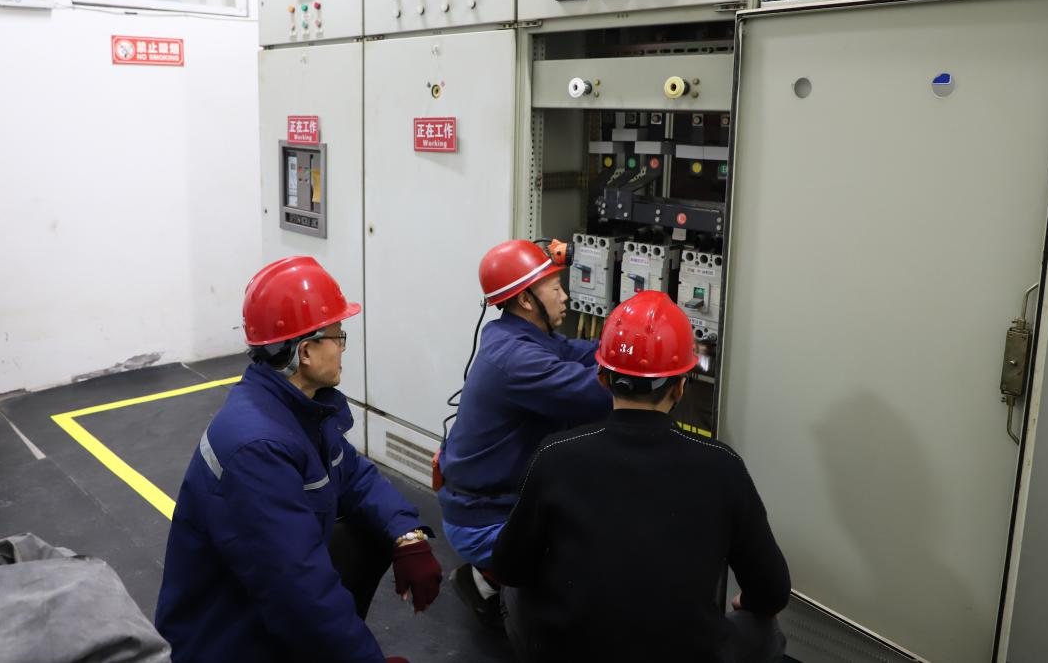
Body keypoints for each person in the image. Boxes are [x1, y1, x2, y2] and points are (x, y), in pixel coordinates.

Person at [155, 256, 442, 663]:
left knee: (364, 530)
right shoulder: (257, 447)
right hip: (230, 644)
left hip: (263, 612)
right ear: (306, 351)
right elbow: (301, 592)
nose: (342, 347)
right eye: (338, 335)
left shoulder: (297, 408)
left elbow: (354, 475)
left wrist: (406, 534)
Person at [491, 290, 790, 662]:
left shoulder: (555, 454)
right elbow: (773, 592)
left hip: (574, 651)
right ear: (681, 386)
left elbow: (509, 567)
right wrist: (748, 601)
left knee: (513, 591)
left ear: (602, 378)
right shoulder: (723, 464)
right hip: (687, 653)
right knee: (766, 629)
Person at [437, 240, 612, 624]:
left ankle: (492, 577)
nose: (565, 297)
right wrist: (649, 364)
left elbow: (580, 353)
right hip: (486, 520)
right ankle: (507, 595)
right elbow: (594, 394)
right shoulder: (516, 358)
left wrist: (624, 342)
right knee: (594, 555)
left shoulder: (517, 335)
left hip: (492, 502)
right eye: (556, 288)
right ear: (526, 300)